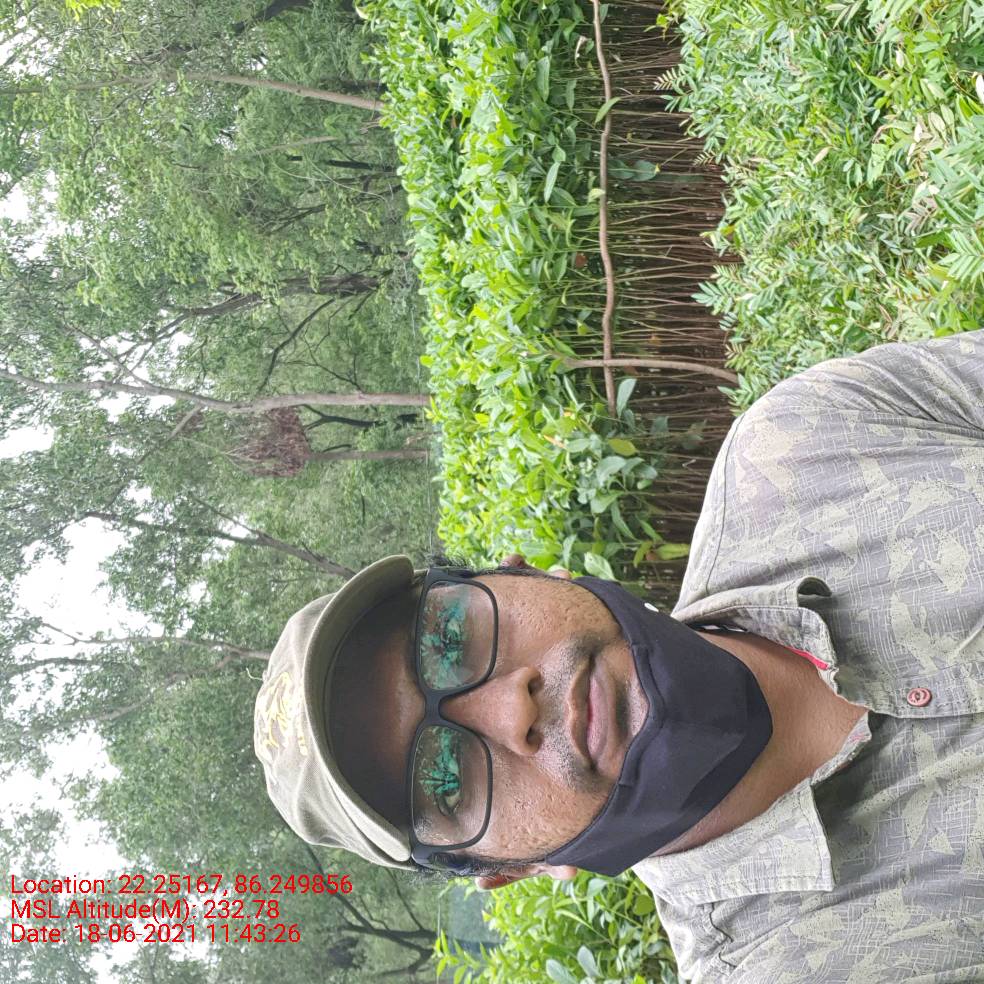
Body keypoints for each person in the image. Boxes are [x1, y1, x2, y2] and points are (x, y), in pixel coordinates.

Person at [253, 329, 984, 982]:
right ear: (515, 870)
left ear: (526, 573)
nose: (510, 708)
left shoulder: (806, 445)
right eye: (445, 778)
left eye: (449, 639)